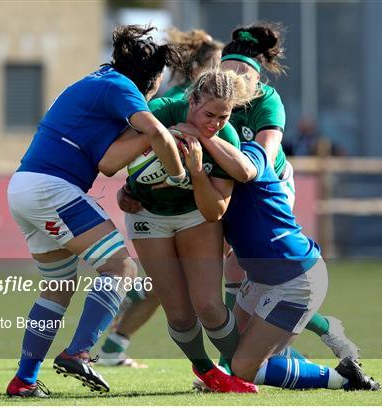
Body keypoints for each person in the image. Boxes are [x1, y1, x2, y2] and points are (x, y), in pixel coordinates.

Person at [5, 25, 188, 397]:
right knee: (121, 267)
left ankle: (23, 380)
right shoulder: (121, 87)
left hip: (25, 186)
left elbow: (107, 163)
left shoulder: (99, 83)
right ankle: (79, 352)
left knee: (59, 286)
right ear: (150, 81)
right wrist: (180, 175)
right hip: (51, 188)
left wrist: (153, 138)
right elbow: (155, 133)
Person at [178, 132, 381, 391]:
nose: (214, 122)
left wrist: (201, 141)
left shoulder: (253, 149)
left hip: (295, 277)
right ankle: (302, 352)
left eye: (220, 115)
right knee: (233, 348)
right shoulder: (209, 164)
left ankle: (344, 379)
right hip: (263, 276)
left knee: (243, 367)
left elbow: (246, 169)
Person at [98, 69, 258, 393]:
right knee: (181, 316)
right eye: (209, 114)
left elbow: (215, 211)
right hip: (148, 217)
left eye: (223, 117)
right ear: (192, 100)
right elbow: (112, 160)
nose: (215, 122)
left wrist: (197, 170)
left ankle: (242, 366)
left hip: (195, 216)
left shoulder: (224, 138)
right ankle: (207, 372)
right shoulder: (158, 112)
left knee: (210, 307)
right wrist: (157, 142)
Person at [217, 23, 360, 366]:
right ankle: (245, 355)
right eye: (227, 70)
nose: (234, 79)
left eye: (243, 72)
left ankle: (259, 354)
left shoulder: (268, 102)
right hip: (228, 184)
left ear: (258, 78)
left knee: (249, 267)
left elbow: (261, 160)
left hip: (269, 185)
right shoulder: (209, 96)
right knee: (230, 276)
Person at [99, 27, 223, 368]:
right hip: (186, 212)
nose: (225, 74)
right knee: (187, 292)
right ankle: (241, 361)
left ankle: (115, 341)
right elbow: (143, 154)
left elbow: (137, 160)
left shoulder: (189, 98)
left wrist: (132, 187)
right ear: (201, 70)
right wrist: (136, 187)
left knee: (170, 288)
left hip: (189, 209)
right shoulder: (188, 102)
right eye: (219, 65)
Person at [164, 28, 223, 99]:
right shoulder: (182, 100)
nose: (221, 72)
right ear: (196, 69)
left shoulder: (177, 94)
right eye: (215, 66)